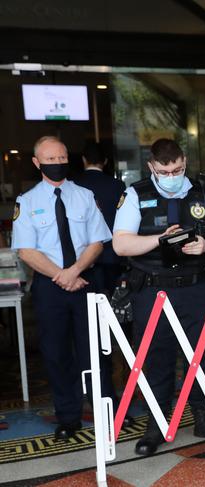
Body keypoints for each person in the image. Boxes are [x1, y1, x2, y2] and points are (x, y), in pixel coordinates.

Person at [113, 138, 205, 456]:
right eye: (165, 170)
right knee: (156, 359)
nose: (172, 175)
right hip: (153, 289)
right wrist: (159, 240)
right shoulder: (135, 195)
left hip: (197, 288)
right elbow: (121, 245)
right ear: (152, 166)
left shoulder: (203, 191)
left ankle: (203, 417)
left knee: (202, 357)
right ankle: (156, 425)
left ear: (185, 162)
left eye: (178, 169)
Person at [11, 135, 122, 439]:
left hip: (86, 280)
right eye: (50, 160)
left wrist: (74, 271)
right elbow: (25, 250)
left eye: (62, 158)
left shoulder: (84, 196)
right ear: (37, 163)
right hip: (50, 288)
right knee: (56, 353)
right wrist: (62, 275)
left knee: (95, 352)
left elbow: (97, 241)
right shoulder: (27, 202)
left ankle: (105, 412)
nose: (57, 164)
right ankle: (68, 417)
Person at [75, 141, 127, 295]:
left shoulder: (74, 185)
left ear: (84, 159)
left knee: (88, 302)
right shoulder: (117, 185)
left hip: (83, 257)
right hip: (112, 254)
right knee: (113, 301)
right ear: (105, 161)